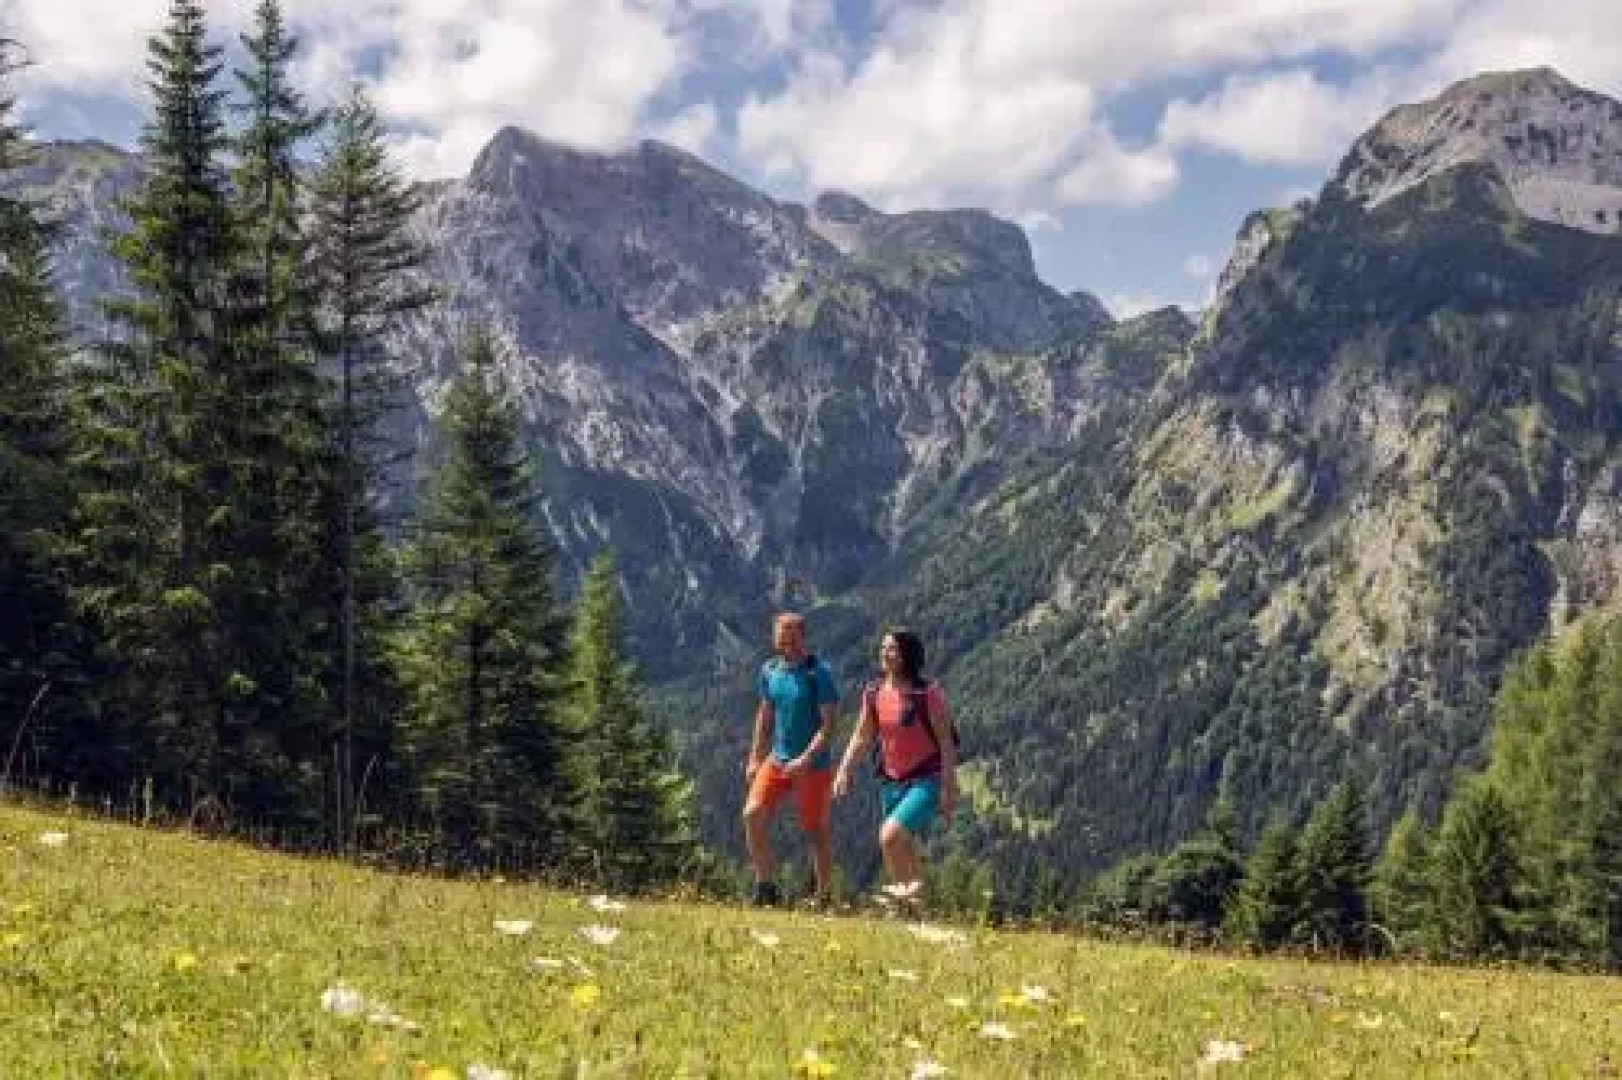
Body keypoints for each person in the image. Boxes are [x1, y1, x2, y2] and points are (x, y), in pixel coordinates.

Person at [833, 628, 957, 903]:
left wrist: (949, 790)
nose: (884, 653)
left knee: (889, 837)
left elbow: (947, 744)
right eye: (883, 647)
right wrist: (844, 770)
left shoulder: (928, 693)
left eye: (892, 649)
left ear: (906, 655)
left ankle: (903, 904)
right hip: (891, 780)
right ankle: (918, 907)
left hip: (927, 779)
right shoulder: (874, 692)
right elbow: (862, 735)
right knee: (903, 846)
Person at [743, 612, 840, 906]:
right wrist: (754, 757)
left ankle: (823, 897)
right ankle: (765, 887)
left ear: (803, 636)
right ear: (774, 639)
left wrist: (807, 759)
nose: (789, 643)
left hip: (814, 766)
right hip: (778, 759)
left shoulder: (818, 672)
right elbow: (765, 716)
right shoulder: (770, 670)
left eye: (794, 637)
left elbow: (830, 725)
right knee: (752, 814)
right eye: (783, 637)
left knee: (815, 831)